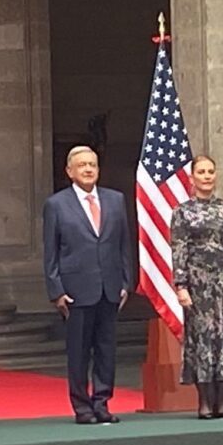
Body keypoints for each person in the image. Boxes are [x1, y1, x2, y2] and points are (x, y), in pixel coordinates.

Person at [43, 146, 133, 424]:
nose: (88, 169)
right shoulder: (57, 204)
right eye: (82, 165)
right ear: (69, 171)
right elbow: (51, 251)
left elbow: (124, 244)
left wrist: (126, 282)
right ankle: (82, 407)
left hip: (109, 287)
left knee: (106, 349)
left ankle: (102, 402)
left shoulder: (115, 200)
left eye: (92, 164)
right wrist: (56, 290)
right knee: (79, 351)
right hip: (75, 290)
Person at [171, 155, 223, 419]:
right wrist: (181, 285)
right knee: (202, 341)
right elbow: (179, 250)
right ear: (192, 178)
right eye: (201, 172)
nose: (206, 176)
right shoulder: (182, 212)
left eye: (210, 171)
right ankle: (204, 402)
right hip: (197, 287)